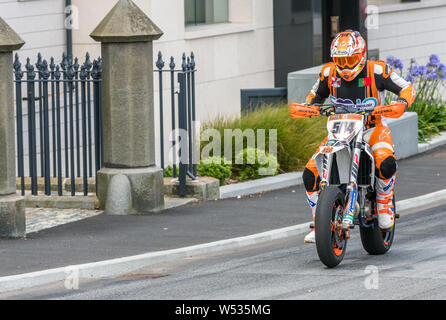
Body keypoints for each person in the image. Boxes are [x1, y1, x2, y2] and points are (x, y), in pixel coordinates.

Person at [293, 30, 416, 244]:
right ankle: (319, 222)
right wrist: (308, 107)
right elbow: (314, 96)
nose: (345, 66)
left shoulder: (378, 70)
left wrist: (402, 103)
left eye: (350, 59)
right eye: (340, 60)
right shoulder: (328, 73)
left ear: (361, 55)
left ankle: (384, 202)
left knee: (386, 163)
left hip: (372, 129)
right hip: (339, 131)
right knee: (309, 174)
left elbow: (407, 88)